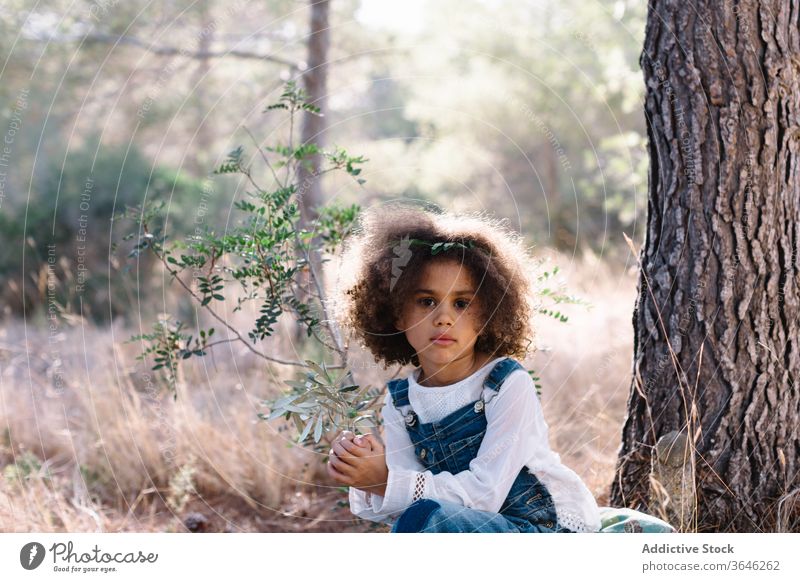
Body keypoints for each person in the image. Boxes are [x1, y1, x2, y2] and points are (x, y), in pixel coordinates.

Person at [326, 203, 601, 533]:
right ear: (397, 313)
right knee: (423, 519)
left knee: (428, 521)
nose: (444, 318)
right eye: (427, 301)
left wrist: (388, 482)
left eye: (462, 303)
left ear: (486, 316)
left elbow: (485, 494)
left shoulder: (506, 384)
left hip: (544, 527)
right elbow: (411, 507)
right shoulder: (402, 402)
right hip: (465, 524)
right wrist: (367, 471)